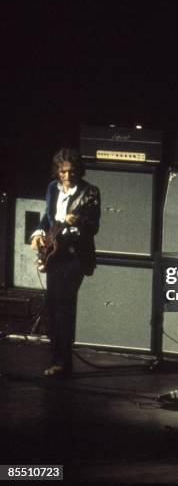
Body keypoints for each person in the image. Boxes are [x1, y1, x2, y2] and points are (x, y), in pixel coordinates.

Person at [31, 148, 100, 377]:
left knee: (65, 308)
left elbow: (94, 227)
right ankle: (57, 358)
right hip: (54, 254)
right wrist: (38, 235)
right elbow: (47, 216)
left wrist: (77, 220)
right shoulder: (52, 188)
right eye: (63, 171)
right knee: (53, 306)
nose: (67, 175)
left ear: (78, 171)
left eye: (71, 171)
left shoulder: (89, 192)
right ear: (58, 172)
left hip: (74, 257)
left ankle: (62, 362)